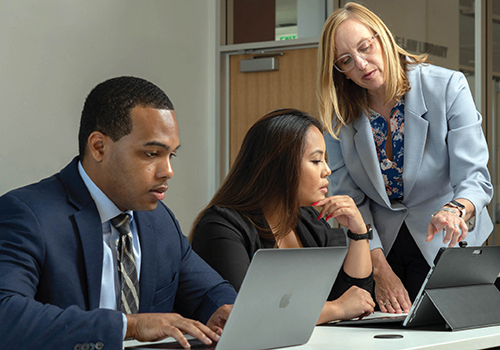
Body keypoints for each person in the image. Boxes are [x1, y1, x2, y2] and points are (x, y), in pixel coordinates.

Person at [0, 76, 237, 350]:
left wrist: (221, 309)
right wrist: (130, 326)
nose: (167, 171)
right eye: (151, 154)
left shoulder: (159, 220)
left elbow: (208, 291)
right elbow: (6, 314)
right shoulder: (27, 214)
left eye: (171, 155)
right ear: (99, 146)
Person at [317, 2, 493, 314]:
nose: (360, 63)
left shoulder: (447, 86)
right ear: (339, 70)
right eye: (346, 60)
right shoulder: (339, 116)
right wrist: (379, 269)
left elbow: (475, 178)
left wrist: (455, 210)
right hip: (381, 248)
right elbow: (349, 199)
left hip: (446, 239)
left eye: (364, 47)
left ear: (381, 36)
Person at [190, 109, 375, 324]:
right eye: (316, 161)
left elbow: (357, 299)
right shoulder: (221, 226)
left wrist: (359, 232)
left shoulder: (311, 220)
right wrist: (337, 309)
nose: (327, 170)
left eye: (325, 160)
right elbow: (241, 314)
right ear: (278, 166)